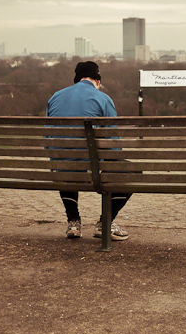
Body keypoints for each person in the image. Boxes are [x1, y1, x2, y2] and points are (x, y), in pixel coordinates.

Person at [47, 61, 131, 241]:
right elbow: (113, 142)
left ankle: (74, 222)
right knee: (131, 172)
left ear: (77, 79)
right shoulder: (103, 98)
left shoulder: (55, 97)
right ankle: (104, 223)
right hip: (92, 167)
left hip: (61, 166)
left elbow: (48, 138)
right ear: (97, 81)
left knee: (65, 163)